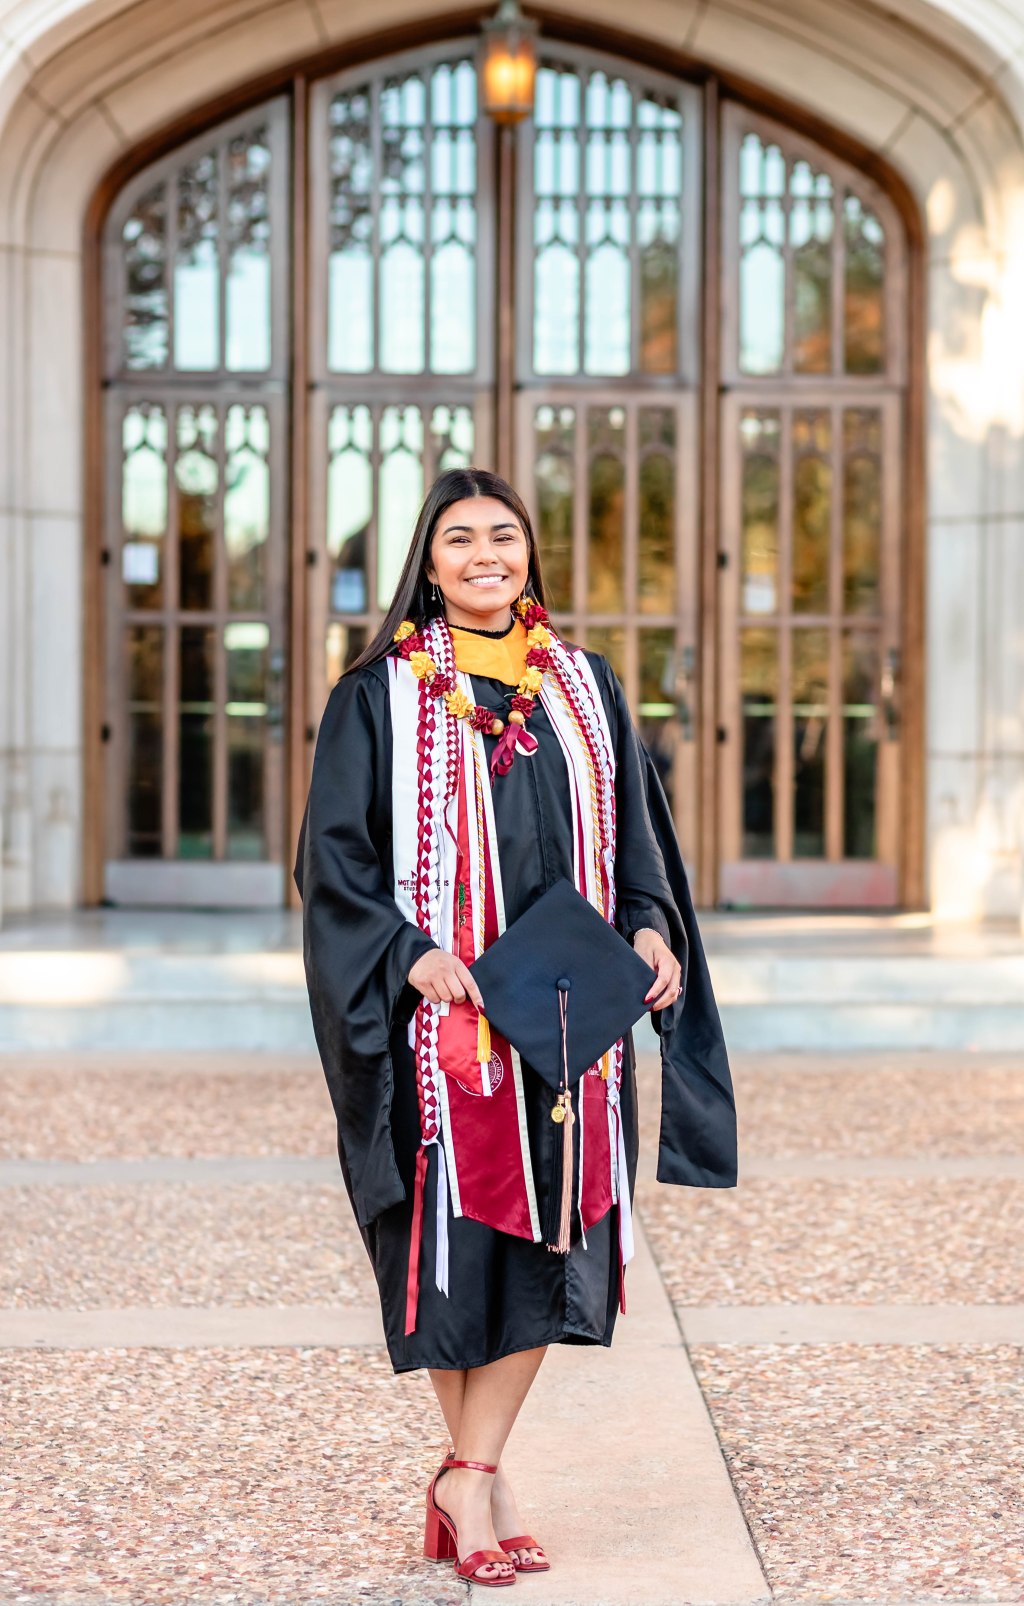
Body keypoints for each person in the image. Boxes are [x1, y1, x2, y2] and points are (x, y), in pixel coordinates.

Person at [294, 467, 737, 1588]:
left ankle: (467, 1474)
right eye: (459, 539)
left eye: (504, 535)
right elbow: (334, 864)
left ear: (527, 554)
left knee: (554, 1251)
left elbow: (640, 841)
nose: (485, 553)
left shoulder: (583, 684)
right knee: (457, 1264)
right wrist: (409, 953)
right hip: (449, 1031)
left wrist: (648, 926)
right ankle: (476, 1481)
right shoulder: (378, 695)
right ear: (427, 562)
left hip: (568, 1023)